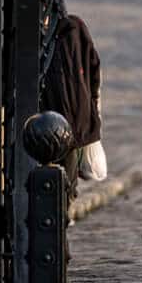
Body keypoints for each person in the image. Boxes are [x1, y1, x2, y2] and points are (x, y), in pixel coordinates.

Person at [42, 11, 103, 195]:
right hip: (45, 119)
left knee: (67, 186)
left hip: (71, 124)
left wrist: (92, 113)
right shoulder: (71, 30)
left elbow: (93, 74)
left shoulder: (74, 29)